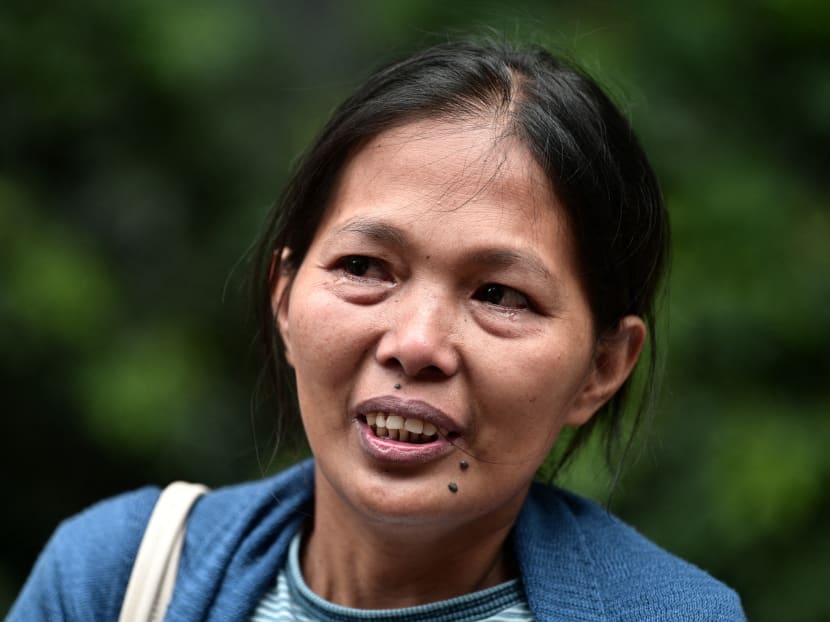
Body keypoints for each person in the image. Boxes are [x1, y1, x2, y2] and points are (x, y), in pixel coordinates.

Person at [9, 40, 745, 621]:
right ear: (286, 298)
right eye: (365, 266)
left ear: (603, 367)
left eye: (501, 294)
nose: (416, 343)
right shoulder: (118, 579)